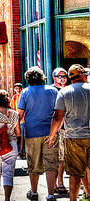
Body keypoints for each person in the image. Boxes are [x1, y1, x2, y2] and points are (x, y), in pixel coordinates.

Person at [48, 64, 90, 201]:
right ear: (82, 75)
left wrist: (52, 136)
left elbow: (57, 117)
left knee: (75, 173)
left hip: (73, 137)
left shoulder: (64, 92)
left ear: (71, 78)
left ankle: (73, 199)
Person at [16, 68, 59, 201]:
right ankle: (51, 194)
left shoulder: (25, 92)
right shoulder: (53, 91)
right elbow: (58, 112)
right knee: (51, 164)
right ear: (43, 78)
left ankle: (34, 192)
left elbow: (20, 115)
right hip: (51, 132)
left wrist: (18, 130)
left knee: (33, 164)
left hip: (31, 132)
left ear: (28, 79)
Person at [51, 67, 69, 196]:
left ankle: (60, 181)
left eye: (64, 76)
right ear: (54, 77)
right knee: (54, 158)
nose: (62, 79)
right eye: (59, 76)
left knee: (62, 158)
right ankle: (55, 184)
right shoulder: (51, 91)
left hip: (67, 128)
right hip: (55, 128)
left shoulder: (69, 90)